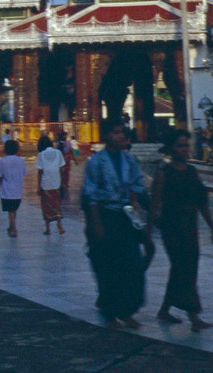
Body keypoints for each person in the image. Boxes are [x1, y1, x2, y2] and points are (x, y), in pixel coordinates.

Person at [150, 129, 213, 334]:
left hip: (190, 226)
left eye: (186, 145)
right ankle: (194, 316)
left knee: (185, 267)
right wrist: (148, 234)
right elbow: (155, 204)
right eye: (180, 145)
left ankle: (164, 309)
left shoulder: (192, 172)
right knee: (183, 267)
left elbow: (202, 203)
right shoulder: (163, 173)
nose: (185, 149)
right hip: (171, 226)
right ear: (172, 148)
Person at [82, 119, 148, 330]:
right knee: (109, 266)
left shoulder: (130, 160)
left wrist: (135, 200)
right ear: (107, 136)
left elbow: (138, 184)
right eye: (116, 133)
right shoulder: (96, 162)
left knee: (132, 264)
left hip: (125, 216)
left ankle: (128, 310)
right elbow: (90, 193)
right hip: (105, 216)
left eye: (122, 132)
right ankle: (110, 313)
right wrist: (96, 223)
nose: (120, 136)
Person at [0, 139, 27, 237]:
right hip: (18, 189)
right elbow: (24, 173)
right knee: (13, 209)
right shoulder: (21, 160)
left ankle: (14, 228)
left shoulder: (2, 161)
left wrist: (0, 186)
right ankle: (11, 226)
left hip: (6, 188)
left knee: (10, 210)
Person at [36, 135, 66, 235]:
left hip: (46, 184)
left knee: (46, 206)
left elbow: (40, 172)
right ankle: (60, 225)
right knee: (57, 205)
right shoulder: (58, 153)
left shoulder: (41, 155)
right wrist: (63, 182)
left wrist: (38, 186)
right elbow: (62, 169)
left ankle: (47, 228)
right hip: (56, 182)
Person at [56, 130, 74, 202]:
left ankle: (63, 183)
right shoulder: (68, 143)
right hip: (66, 159)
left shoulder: (58, 144)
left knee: (63, 172)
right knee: (66, 172)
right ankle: (65, 184)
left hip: (62, 159)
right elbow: (71, 151)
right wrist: (75, 158)